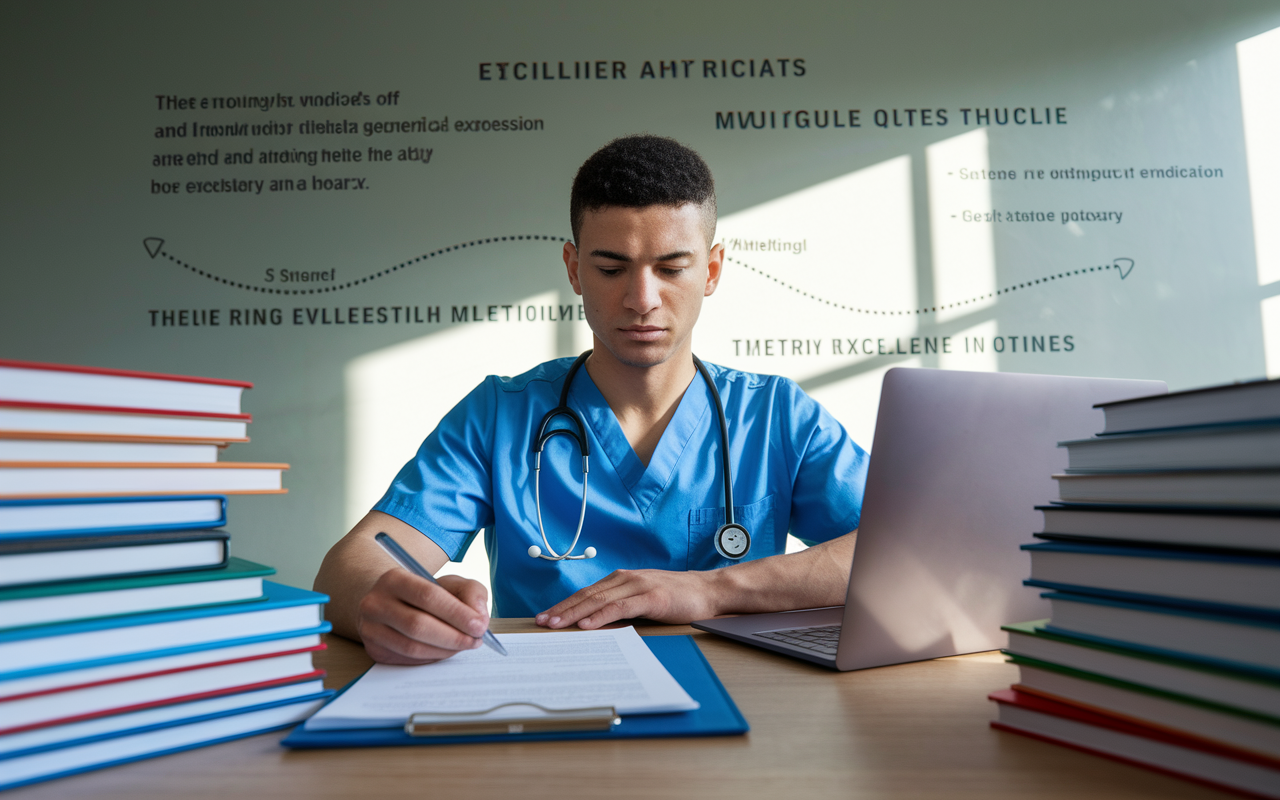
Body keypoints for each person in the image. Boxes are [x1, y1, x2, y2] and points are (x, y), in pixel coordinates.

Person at [315, 135, 869, 665]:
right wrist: (382, 604)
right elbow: (353, 563)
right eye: (610, 269)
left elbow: (906, 551)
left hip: (743, 706)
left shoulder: (775, 415)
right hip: (549, 710)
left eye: (672, 268)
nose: (642, 300)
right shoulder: (498, 416)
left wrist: (713, 590)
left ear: (712, 271)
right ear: (574, 270)